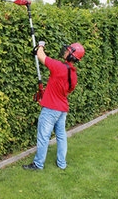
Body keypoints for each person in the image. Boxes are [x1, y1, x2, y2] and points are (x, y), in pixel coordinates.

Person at [22, 41, 85, 170]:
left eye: (68, 50)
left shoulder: (59, 67)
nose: (65, 51)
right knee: (61, 136)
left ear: (72, 56)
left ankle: (38, 164)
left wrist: (40, 45)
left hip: (51, 109)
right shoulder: (73, 74)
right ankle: (62, 163)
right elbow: (66, 90)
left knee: (43, 137)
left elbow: (41, 56)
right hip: (62, 109)